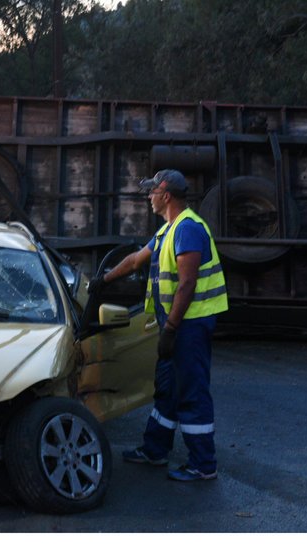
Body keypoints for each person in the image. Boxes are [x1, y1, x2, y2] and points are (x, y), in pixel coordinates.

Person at [88, 169, 228, 482]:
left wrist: (171, 329)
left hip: (188, 323)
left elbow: (187, 283)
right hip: (176, 323)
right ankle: (155, 450)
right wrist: (103, 281)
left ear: (165, 194)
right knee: (166, 389)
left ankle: (203, 465)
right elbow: (137, 259)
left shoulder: (188, 229)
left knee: (191, 391)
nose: (148, 197)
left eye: (152, 191)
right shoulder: (168, 230)